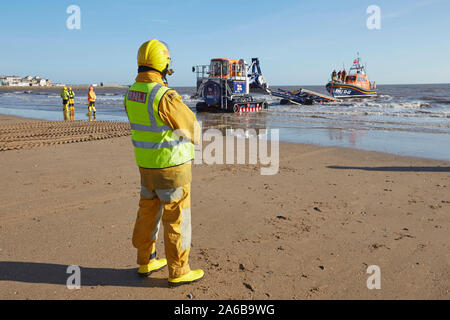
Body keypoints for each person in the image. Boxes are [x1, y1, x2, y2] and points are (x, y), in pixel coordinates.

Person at [124, 39, 203, 287]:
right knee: (177, 218)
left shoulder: (131, 94)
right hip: (172, 169)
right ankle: (178, 270)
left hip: (146, 168)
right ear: (163, 63)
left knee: (148, 213)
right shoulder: (164, 96)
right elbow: (191, 128)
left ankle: (145, 260)